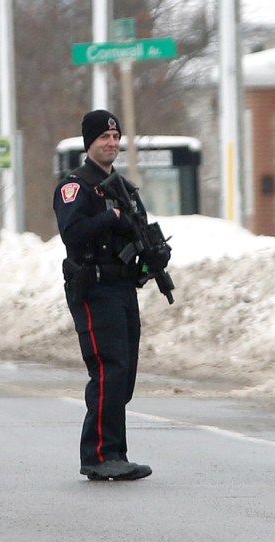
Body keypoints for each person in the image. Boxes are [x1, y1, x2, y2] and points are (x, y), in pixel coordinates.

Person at [53, 109, 170, 481]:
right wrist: (110, 219)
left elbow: (138, 231)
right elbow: (73, 234)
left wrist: (154, 255)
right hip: (93, 287)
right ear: (90, 142)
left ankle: (114, 452)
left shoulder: (125, 189)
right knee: (108, 367)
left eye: (116, 137)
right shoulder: (75, 186)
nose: (112, 143)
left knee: (124, 372)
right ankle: (100, 455)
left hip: (121, 286)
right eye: (105, 137)